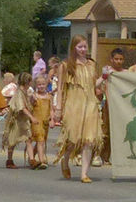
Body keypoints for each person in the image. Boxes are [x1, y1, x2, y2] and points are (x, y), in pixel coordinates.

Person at [54, 35, 103, 183]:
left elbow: (95, 85)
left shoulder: (91, 64)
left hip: (90, 103)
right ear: (73, 48)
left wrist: (105, 76)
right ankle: (66, 159)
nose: (83, 49)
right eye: (79, 47)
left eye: (84, 46)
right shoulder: (66, 65)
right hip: (73, 104)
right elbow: (61, 88)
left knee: (89, 139)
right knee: (73, 139)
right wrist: (58, 108)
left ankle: (84, 174)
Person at [96, 47, 125, 165]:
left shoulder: (125, 73)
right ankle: (102, 155)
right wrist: (104, 77)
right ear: (111, 59)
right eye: (116, 59)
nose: (118, 61)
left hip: (122, 106)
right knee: (105, 131)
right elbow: (97, 85)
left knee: (120, 132)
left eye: (121, 59)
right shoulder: (107, 71)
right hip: (108, 104)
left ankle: (117, 157)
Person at [3, 72, 38, 169]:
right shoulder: (19, 93)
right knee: (12, 140)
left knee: (28, 139)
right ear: (27, 82)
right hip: (16, 121)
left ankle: (32, 160)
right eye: (30, 82)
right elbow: (22, 108)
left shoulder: (25, 93)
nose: (31, 84)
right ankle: (9, 160)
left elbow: (27, 105)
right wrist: (32, 117)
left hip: (23, 121)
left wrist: (32, 100)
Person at [30, 75, 52, 169]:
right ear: (36, 85)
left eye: (43, 84)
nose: (41, 86)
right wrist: (32, 99)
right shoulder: (34, 96)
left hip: (45, 121)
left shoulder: (49, 96)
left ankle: (32, 157)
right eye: (39, 84)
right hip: (36, 121)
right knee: (40, 140)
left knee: (42, 140)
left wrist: (52, 119)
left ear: (46, 85)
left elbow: (51, 109)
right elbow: (30, 104)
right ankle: (41, 160)